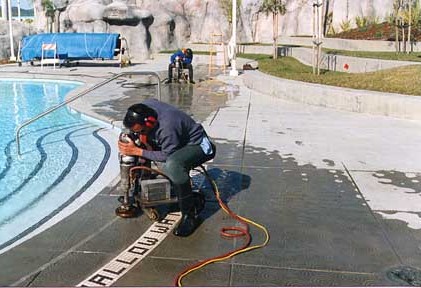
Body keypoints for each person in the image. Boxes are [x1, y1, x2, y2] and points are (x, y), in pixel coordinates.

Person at [118, 98, 216, 237]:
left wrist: (137, 151)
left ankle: (190, 214)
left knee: (173, 165)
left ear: (150, 122)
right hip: (178, 140)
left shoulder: (167, 127)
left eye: (142, 131)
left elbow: (167, 155)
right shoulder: (145, 107)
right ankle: (136, 188)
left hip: (199, 145)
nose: (140, 133)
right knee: (137, 145)